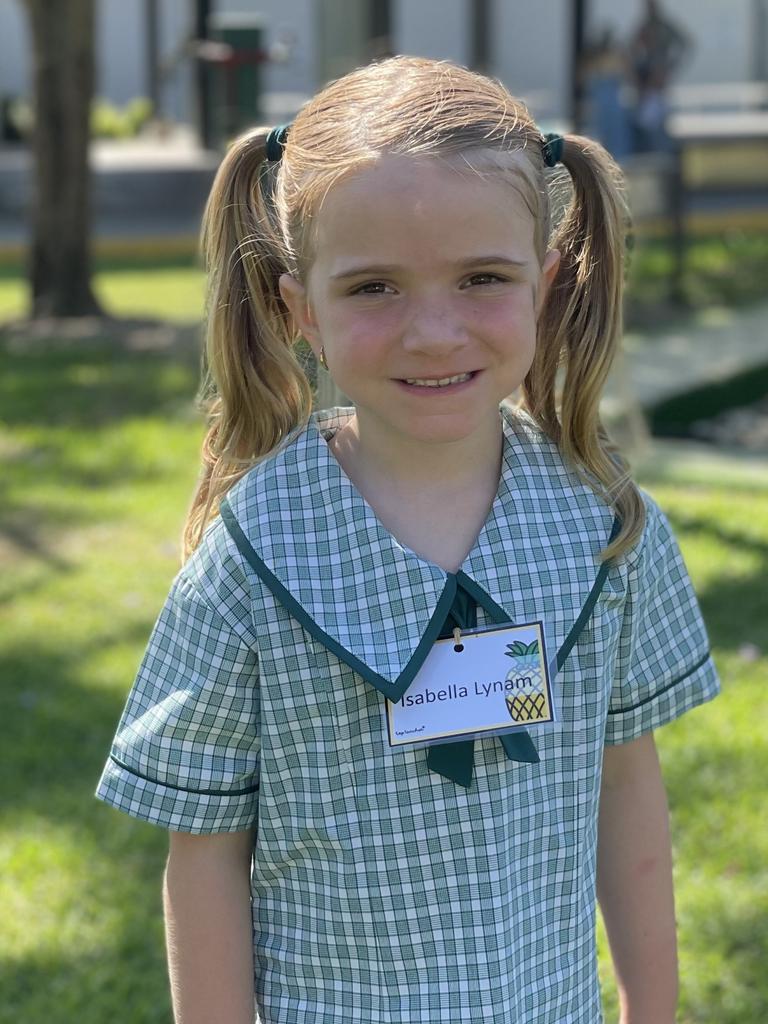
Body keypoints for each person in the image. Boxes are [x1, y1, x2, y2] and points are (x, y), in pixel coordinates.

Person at [96, 56, 719, 1024]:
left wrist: (654, 1006)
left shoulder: (605, 531)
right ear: (301, 308)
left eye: (482, 278)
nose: (434, 330)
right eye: (375, 286)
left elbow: (625, 783)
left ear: (546, 283)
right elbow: (205, 850)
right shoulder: (251, 563)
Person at [628, 0, 690, 152]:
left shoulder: (664, 26)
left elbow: (685, 44)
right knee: (647, 119)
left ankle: (661, 153)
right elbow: (632, 48)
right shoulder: (644, 26)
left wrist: (670, 68)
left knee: (658, 117)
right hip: (647, 80)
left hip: (658, 78)